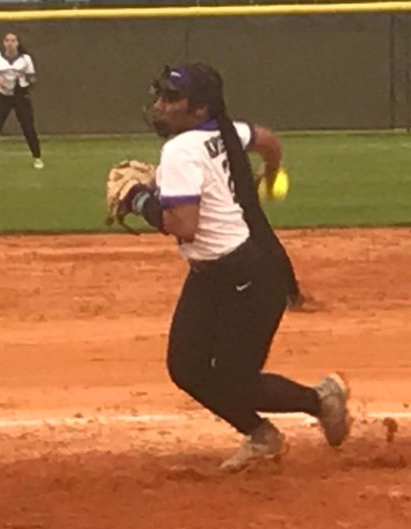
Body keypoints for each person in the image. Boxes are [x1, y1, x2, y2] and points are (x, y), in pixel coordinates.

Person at [118, 63, 350, 472]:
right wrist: (271, 174)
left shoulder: (179, 150)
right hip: (214, 273)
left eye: (171, 99)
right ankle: (261, 435)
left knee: (234, 380)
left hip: (247, 276)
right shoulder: (224, 130)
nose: (160, 105)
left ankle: (322, 399)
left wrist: (137, 199)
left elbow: (184, 227)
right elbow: (269, 141)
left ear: (198, 108)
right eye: (160, 95)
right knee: (186, 367)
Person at [0, 33, 43, 171]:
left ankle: (37, 157)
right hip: (3, 95)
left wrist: (25, 82)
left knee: (28, 127)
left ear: (17, 43)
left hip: (20, 96)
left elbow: (32, 77)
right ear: (4, 43)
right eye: (7, 41)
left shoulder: (25, 59)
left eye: (13, 41)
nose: (10, 43)